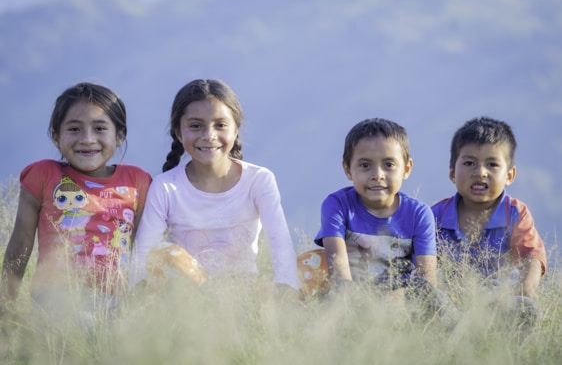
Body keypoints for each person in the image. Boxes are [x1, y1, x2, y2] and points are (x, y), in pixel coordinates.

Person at [129, 79, 299, 301]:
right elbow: (144, 253)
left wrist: (288, 292)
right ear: (178, 133)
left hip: (245, 297)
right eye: (195, 126)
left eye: (220, 125)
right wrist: (136, 299)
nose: (208, 135)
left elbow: (280, 243)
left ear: (236, 129)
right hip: (185, 302)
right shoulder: (165, 187)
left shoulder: (259, 180)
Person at [0, 82, 152, 322]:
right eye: (74, 129)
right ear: (56, 137)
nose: (87, 139)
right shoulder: (43, 174)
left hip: (117, 303)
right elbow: (20, 245)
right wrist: (5, 307)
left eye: (100, 128)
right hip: (56, 300)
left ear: (120, 135)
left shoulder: (137, 181)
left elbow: (144, 250)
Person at [313, 118, 448, 322]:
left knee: (437, 300)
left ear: (407, 168)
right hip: (352, 298)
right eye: (365, 165)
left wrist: (399, 300)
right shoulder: (337, 205)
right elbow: (339, 272)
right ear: (348, 169)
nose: (378, 175)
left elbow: (427, 279)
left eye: (389, 165)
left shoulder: (419, 213)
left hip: (403, 301)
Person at [432, 116, 546, 329]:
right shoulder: (436, 216)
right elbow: (425, 262)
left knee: (525, 310)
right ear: (452, 173)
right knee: (429, 300)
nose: (480, 172)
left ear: (510, 175)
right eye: (469, 163)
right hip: (453, 304)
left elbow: (532, 257)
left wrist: (525, 291)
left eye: (492, 164)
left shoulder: (515, 213)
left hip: (502, 303)